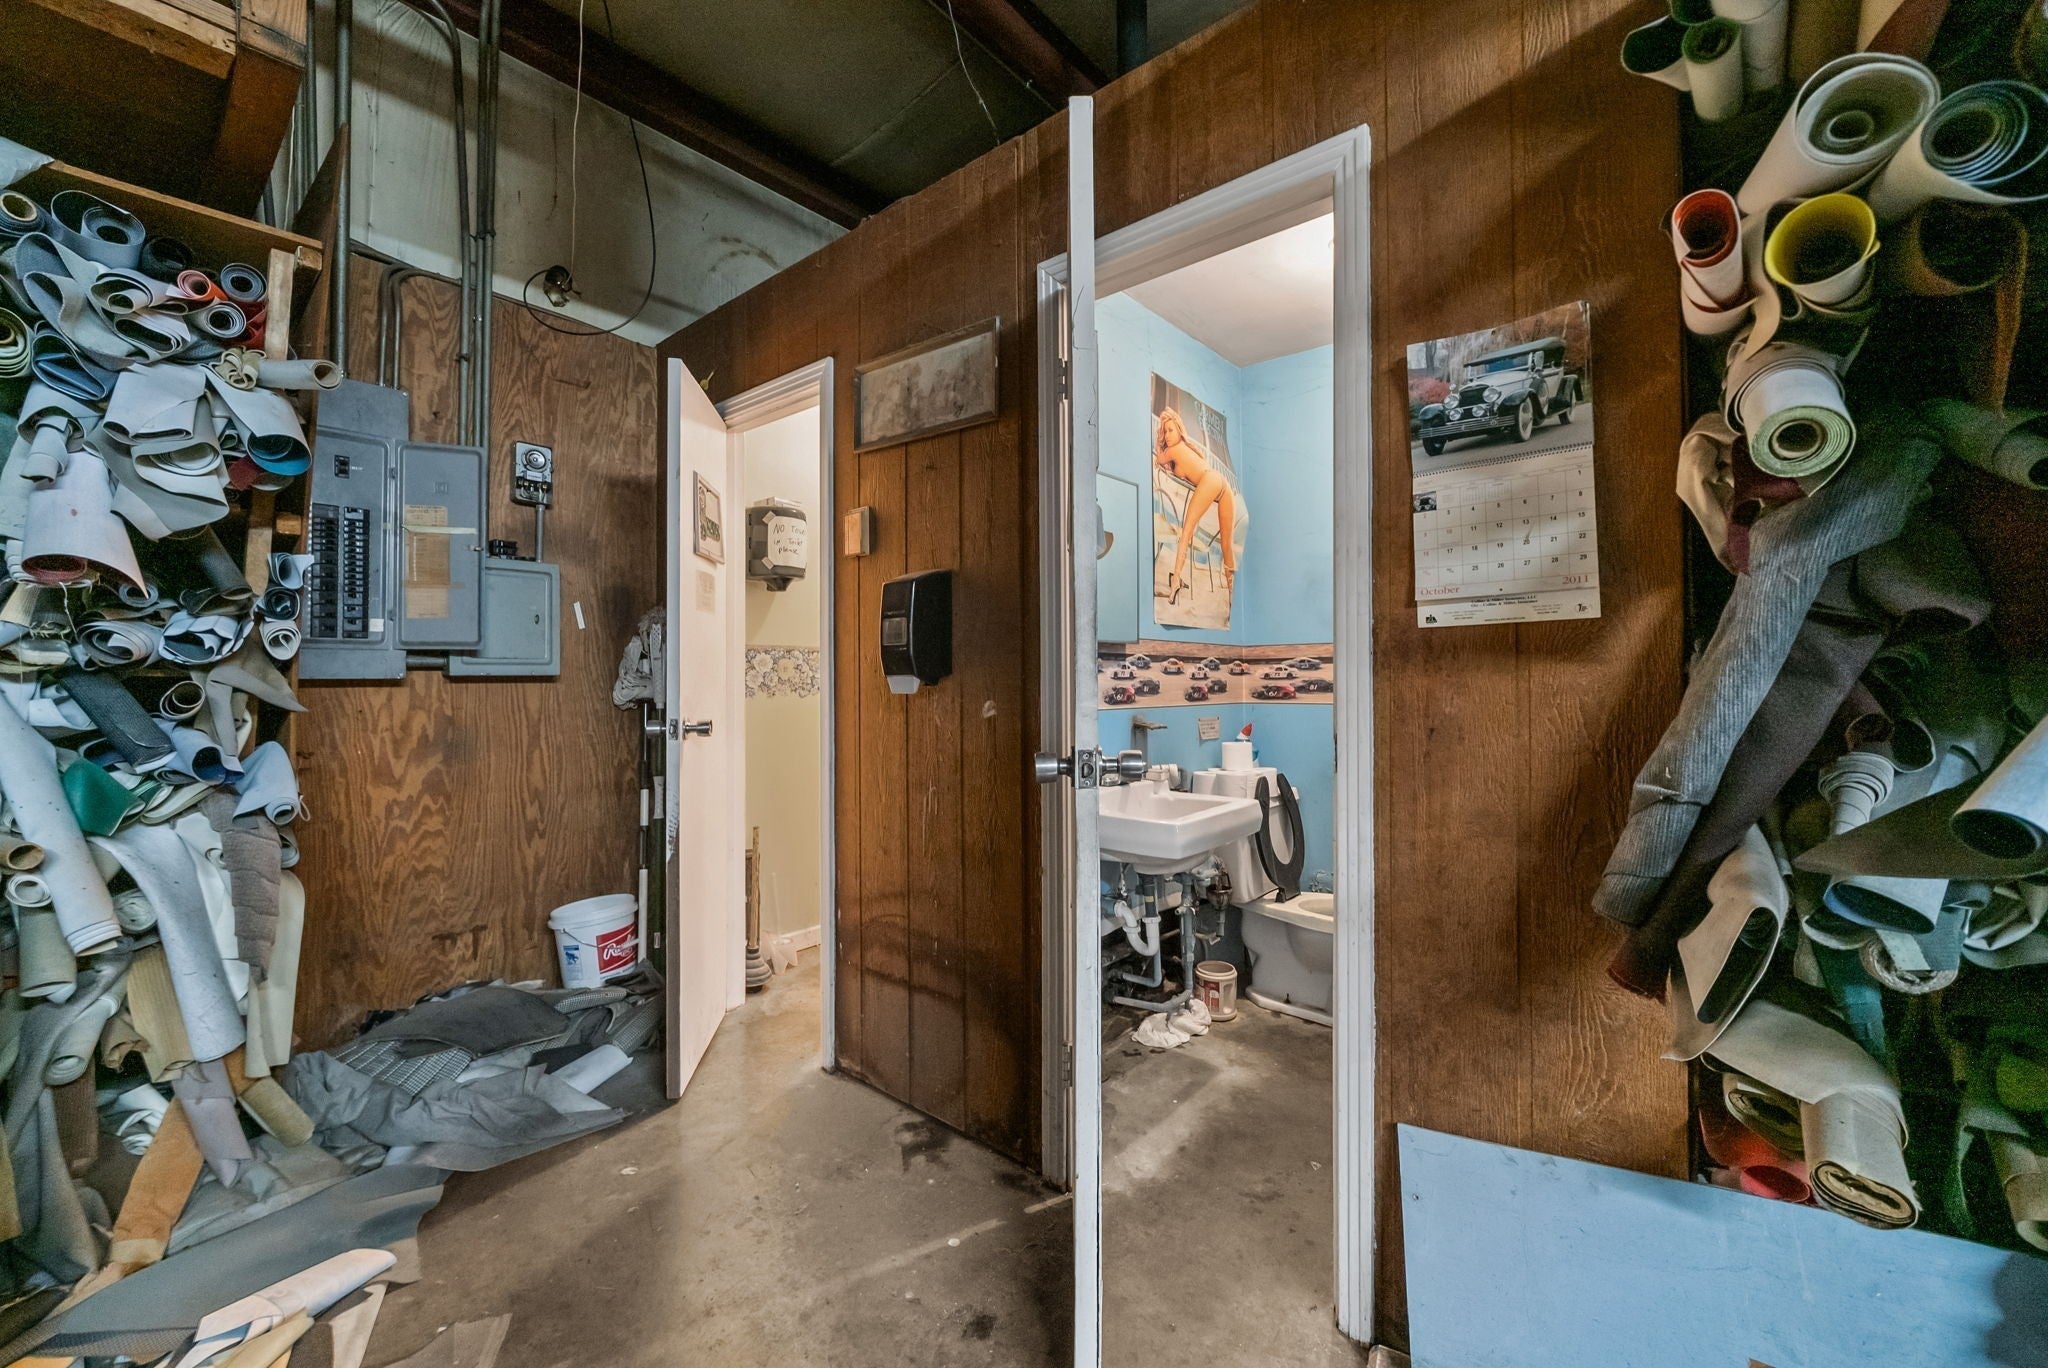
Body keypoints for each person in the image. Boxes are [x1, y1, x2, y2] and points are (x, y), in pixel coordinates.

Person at [1153, 407, 1237, 605]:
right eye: (1164, 431)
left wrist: (1158, 440)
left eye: (1170, 430)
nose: (1167, 435)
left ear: (1179, 430)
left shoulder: (1173, 450)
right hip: (1223, 486)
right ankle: (1232, 595)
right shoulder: (1186, 448)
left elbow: (1160, 458)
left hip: (1213, 481)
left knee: (1187, 529)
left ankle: (1176, 581)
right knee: (1227, 546)